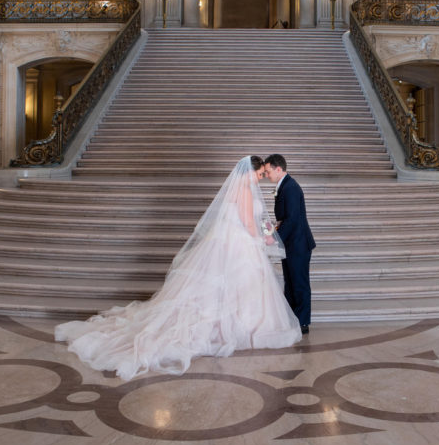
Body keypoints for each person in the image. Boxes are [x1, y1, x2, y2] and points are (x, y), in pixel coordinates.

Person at [55, 156, 303, 380]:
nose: (260, 179)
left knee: (227, 289)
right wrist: (264, 238)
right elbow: (249, 223)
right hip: (241, 245)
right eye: (259, 174)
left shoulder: (237, 190)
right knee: (239, 287)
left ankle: (225, 326)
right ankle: (239, 329)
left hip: (229, 243)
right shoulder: (246, 192)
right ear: (249, 172)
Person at [264, 154, 315, 334]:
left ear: (279, 169)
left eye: (269, 172)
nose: (266, 175)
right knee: (291, 282)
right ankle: (293, 319)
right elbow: (286, 218)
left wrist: (274, 238)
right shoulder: (284, 186)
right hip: (291, 243)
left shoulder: (290, 188)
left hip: (298, 244)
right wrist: (274, 228)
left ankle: (302, 323)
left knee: (299, 283)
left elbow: (292, 220)